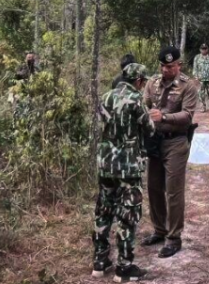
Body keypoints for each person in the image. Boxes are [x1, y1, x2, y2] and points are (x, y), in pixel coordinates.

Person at [92, 63, 155, 282]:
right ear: (138, 81)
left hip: (105, 163)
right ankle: (124, 267)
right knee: (127, 215)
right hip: (128, 165)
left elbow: (101, 125)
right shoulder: (136, 99)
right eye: (143, 81)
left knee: (104, 209)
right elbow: (149, 128)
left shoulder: (106, 96)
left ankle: (99, 261)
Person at [141, 46, 198, 258]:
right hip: (155, 141)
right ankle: (159, 229)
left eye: (171, 66)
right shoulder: (152, 83)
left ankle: (174, 238)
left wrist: (164, 118)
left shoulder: (187, 86)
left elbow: (188, 116)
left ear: (178, 65)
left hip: (176, 141)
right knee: (154, 187)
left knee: (173, 191)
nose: (167, 70)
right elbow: (144, 105)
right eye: (164, 66)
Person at [193, 44, 209, 112]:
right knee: (201, 94)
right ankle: (202, 107)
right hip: (201, 79)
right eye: (202, 49)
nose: (204, 50)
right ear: (200, 49)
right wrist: (196, 77)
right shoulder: (197, 57)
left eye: (205, 49)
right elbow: (195, 68)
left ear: (207, 49)